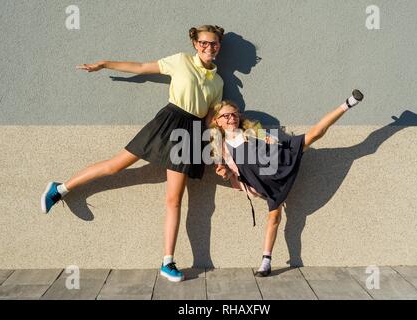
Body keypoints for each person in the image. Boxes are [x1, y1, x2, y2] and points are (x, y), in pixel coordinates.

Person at [41, 25, 225, 282]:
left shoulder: (218, 82)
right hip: (168, 121)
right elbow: (140, 68)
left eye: (214, 43)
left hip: (191, 133)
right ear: (195, 44)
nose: (209, 47)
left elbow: (209, 121)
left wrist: (215, 153)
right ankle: (60, 189)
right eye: (204, 42)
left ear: (219, 46)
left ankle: (167, 262)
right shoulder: (180, 61)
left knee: (175, 199)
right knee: (116, 165)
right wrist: (104, 64)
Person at [211, 90, 364, 276]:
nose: (231, 118)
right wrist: (225, 173)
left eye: (234, 114)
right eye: (225, 116)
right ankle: (266, 261)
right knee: (274, 218)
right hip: (265, 185)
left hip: (280, 163)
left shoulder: (251, 131)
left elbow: (271, 141)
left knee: (314, 134)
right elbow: (228, 172)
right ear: (217, 121)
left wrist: (270, 140)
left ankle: (347, 104)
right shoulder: (220, 147)